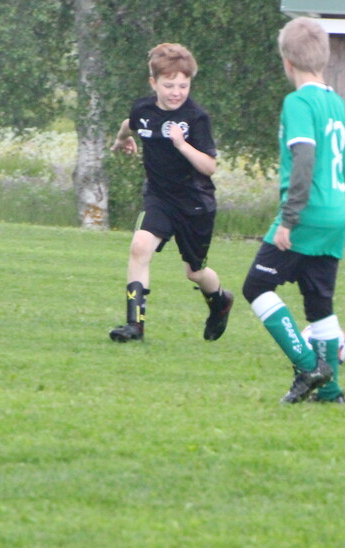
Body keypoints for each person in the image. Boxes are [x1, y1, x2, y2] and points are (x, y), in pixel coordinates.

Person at [240, 17, 345, 404]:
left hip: (306, 213)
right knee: (319, 303)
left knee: (256, 287)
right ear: (324, 59)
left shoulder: (298, 102)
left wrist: (289, 219)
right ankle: (331, 394)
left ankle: (308, 367)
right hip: (336, 213)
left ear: (287, 62)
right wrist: (337, 201)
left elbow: (304, 157)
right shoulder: (338, 103)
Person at [108, 43, 232, 343]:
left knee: (195, 272)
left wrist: (182, 144)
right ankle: (134, 326)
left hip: (195, 203)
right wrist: (121, 140)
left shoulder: (196, 117)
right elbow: (130, 124)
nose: (176, 92)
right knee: (139, 247)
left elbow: (209, 166)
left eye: (183, 86)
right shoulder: (143, 109)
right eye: (169, 85)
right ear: (153, 83)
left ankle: (220, 301)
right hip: (159, 198)